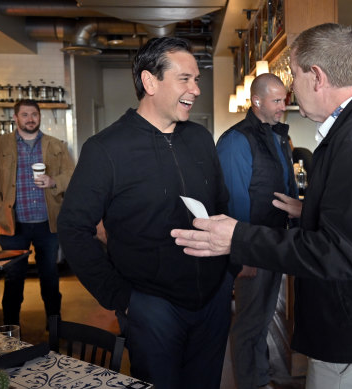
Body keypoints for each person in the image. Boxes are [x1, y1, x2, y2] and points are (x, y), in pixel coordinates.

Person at [172, 23, 352, 389]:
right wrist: (309, 211)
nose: (290, 89)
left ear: (317, 76)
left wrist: (238, 239)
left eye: (294, 74)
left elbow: (341, 253)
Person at [57, 37, 233, 389]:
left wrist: (230, 269)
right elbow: (73, 228)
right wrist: (122, 298)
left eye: (196, 79)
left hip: (213, 300)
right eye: (185, 79)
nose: (196, 89)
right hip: (152, 307)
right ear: (150, 82)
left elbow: (221, 207)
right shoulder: (106, 149)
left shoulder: (200, 139)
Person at [217, 73, 297, 389]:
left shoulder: (277, 136)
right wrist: (242, 255)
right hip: (252, 248)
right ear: (257, 101)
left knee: (263, 320)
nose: (283, 107)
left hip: (274, 243)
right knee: (249, 323)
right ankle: (251, 382)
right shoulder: (237, 140)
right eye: (277, 101)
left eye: (284, 99)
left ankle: (261, 377)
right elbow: (233, 202)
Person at [0, 99, 74, 326]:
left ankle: (55, 327)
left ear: (40, 117)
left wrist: (53, 181)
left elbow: (72, 175)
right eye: (25, 115)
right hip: (13, 224)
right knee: (14, 279)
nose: (30, 119)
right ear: (16, 118)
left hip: (47, 224)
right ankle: (12, 330)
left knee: (50, 277)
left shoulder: (56, 145)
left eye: (34, 114)